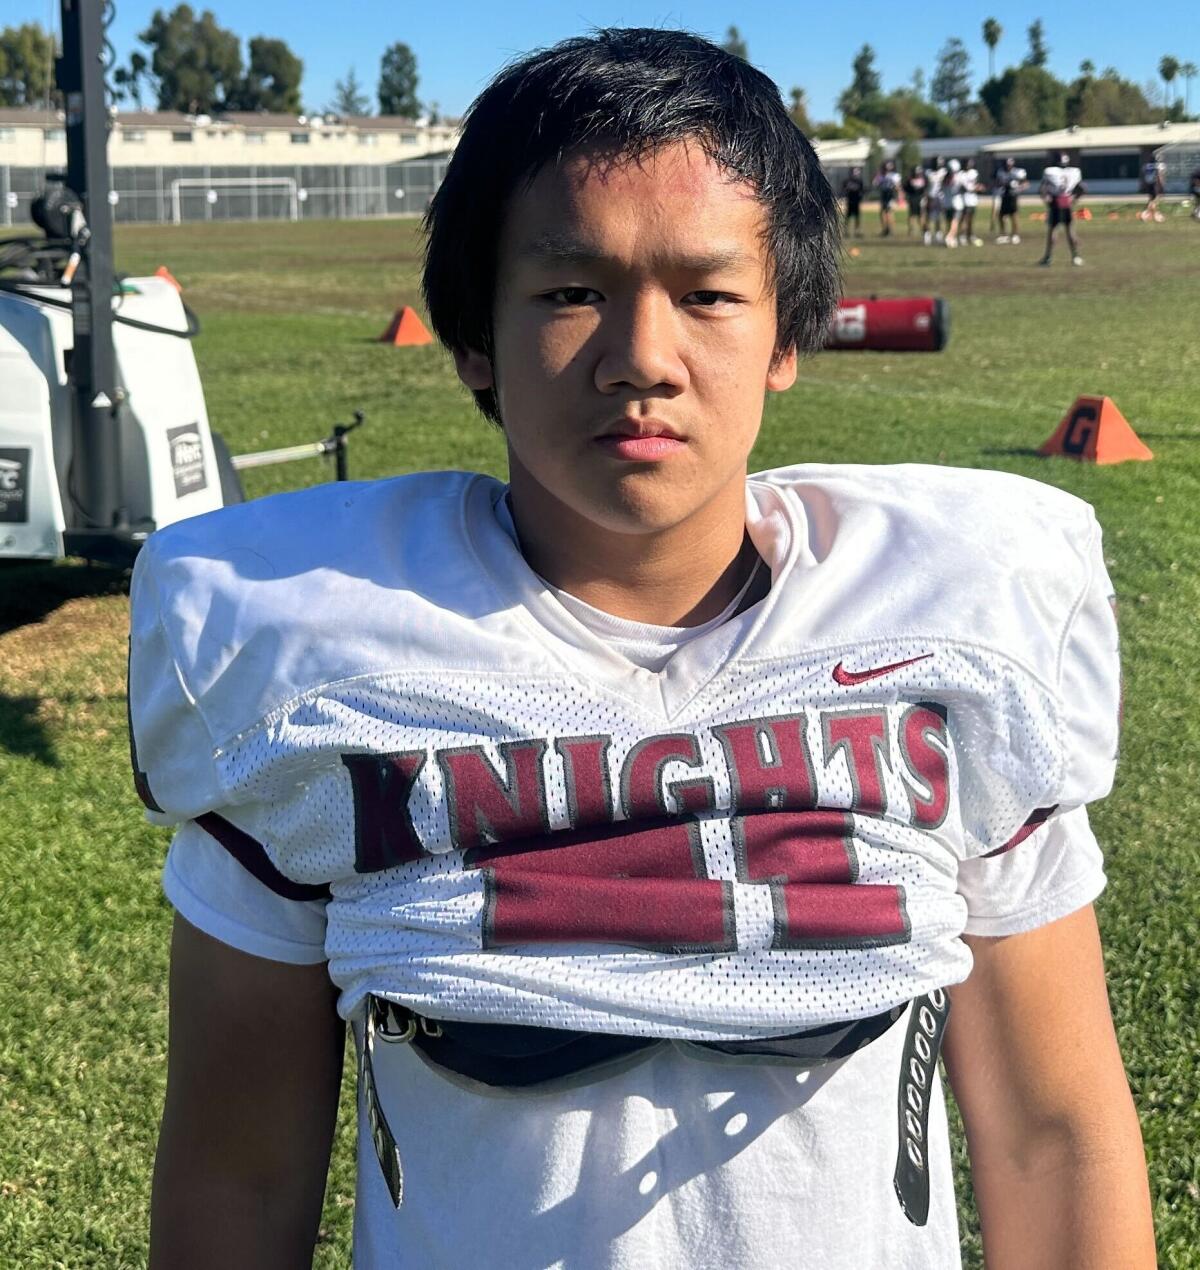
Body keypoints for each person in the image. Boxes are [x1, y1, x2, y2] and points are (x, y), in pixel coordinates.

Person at [131, 28, 1156, 1270]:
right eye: (571, 292)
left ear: (788, 335)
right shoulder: (303, 656)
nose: (642, 360)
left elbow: (1056, 1136)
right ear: (472, 339)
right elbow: (238, 1171)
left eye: (709, 294)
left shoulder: (955, 634)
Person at [1039, 151, 1086, 266]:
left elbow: (1042, 189)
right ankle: (1075, 256)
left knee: (1053, 231)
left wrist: (1046, 199)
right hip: (1067, 201)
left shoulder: (1049, 172)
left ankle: (1048, 257)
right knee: (1070, 231)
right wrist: (1074, 199)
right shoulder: (1074, 172)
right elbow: (1082, 188)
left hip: (1056, 201)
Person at [994, 156, 1027, 244]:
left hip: (1013, 195)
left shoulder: (1018, 172)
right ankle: (1004, 235)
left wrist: (1019, 188)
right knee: (1001, 215)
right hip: (1004, 195)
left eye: (1010, 165)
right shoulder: (1001, 172)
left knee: (1014, 215)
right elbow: (997, 183)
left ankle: (1015, 235)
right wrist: (1002, 184)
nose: (1008, 167)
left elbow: (1025, 183)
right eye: (1007, 165)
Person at [958, 156, 983, 246]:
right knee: (964, 219)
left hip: (973, 199)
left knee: (971, 219)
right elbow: (965, 188)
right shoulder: (960, 174)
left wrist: (979, 187)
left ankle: (970, 234)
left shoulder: (974, 173)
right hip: (964, 199)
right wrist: (975, 188)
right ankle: (962, 235)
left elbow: (978, 184)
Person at [923, 154, 946, 244]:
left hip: (940, 196)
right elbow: (924, 185)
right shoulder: (928, 172)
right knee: (928, 217)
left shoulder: (943, 171)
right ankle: (927, 234)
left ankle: (938, 234)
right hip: (930, 196)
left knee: (939, 217)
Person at [875, 158, 901, 237]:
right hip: (884, 194)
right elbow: (876, 184)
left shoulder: (894, 175)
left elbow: (897, 187)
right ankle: (885, 229)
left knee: (889, 213)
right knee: (883, 212)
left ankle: (889, 229)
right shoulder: (882, 175)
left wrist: (897, 194)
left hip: (890, 195)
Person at [1138, 157, 1165, 222]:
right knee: (1155, 199)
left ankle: (1149, 214)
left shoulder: (1147, 165)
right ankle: (1150, 215)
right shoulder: (1159, 165)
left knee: (1152, 200)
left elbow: (1144, 174)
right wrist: (1161, 185)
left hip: (1149, 183)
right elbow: (1160, 175)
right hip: (1155, 184)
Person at [903, 163, 927, 236]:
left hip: (920, 198)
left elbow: (925, 189)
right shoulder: (909, 180)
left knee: (921, 215)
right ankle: (911, 230)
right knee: (912, 215)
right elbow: (905, 189)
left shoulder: (923, 179)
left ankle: (923, 229)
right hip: (913, 198)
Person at [842, 165, 865, 237]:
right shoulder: (847, 181)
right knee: (847, 217)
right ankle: (846, 231)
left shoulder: (859, 181)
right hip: (850, 201)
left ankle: (857, 231)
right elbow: (844, 190)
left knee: (857, 217)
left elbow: (862, 191)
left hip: (856, 201)